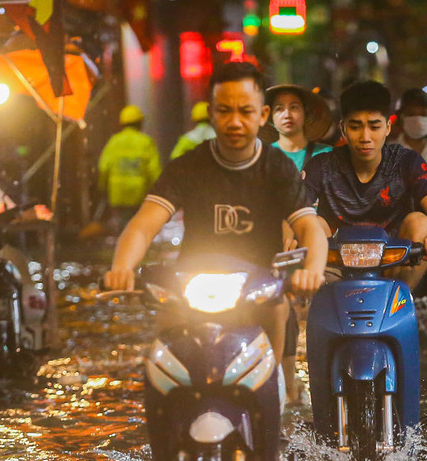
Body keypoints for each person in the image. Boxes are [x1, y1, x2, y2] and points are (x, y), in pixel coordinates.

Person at [104, 62, 327, 400]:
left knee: (278, 309)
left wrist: (312, 270)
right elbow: (144, 225)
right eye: (224, 111)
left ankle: (275, 402)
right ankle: (165, 413)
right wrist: (121, 267)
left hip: (260, 290)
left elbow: (309, 226)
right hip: (190, 287)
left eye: (245, 111)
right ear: (211, 113)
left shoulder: (277, 167)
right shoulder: (188, 166)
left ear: (262, 115)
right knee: (163, 329)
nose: (234, 121)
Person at [302, 80, 427, 290]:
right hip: (335, 269)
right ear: (343, 129)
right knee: (311, 222)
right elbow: (295, 209)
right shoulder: (322, 165)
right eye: (355, 127)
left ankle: (401, 295)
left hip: (394, 264)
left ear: (387, 128)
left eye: (374, 127)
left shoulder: (407, 161)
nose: (365, 137)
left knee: (421, 221)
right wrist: (290, 239)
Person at [97, 105, 161, 224]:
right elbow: (154, 170)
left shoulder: (114, 141)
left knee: (120, 225)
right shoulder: (146, 142)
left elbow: (104, 167)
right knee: (136, 225)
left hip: (118, 194)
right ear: (140, 123)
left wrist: (102, 187)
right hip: (139, 194)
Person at [268, 83, 333, 172]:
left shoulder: (326, 154)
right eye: (279, 109)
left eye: (294, 107)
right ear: (270, 116)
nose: (287, 115)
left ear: (305, 113)